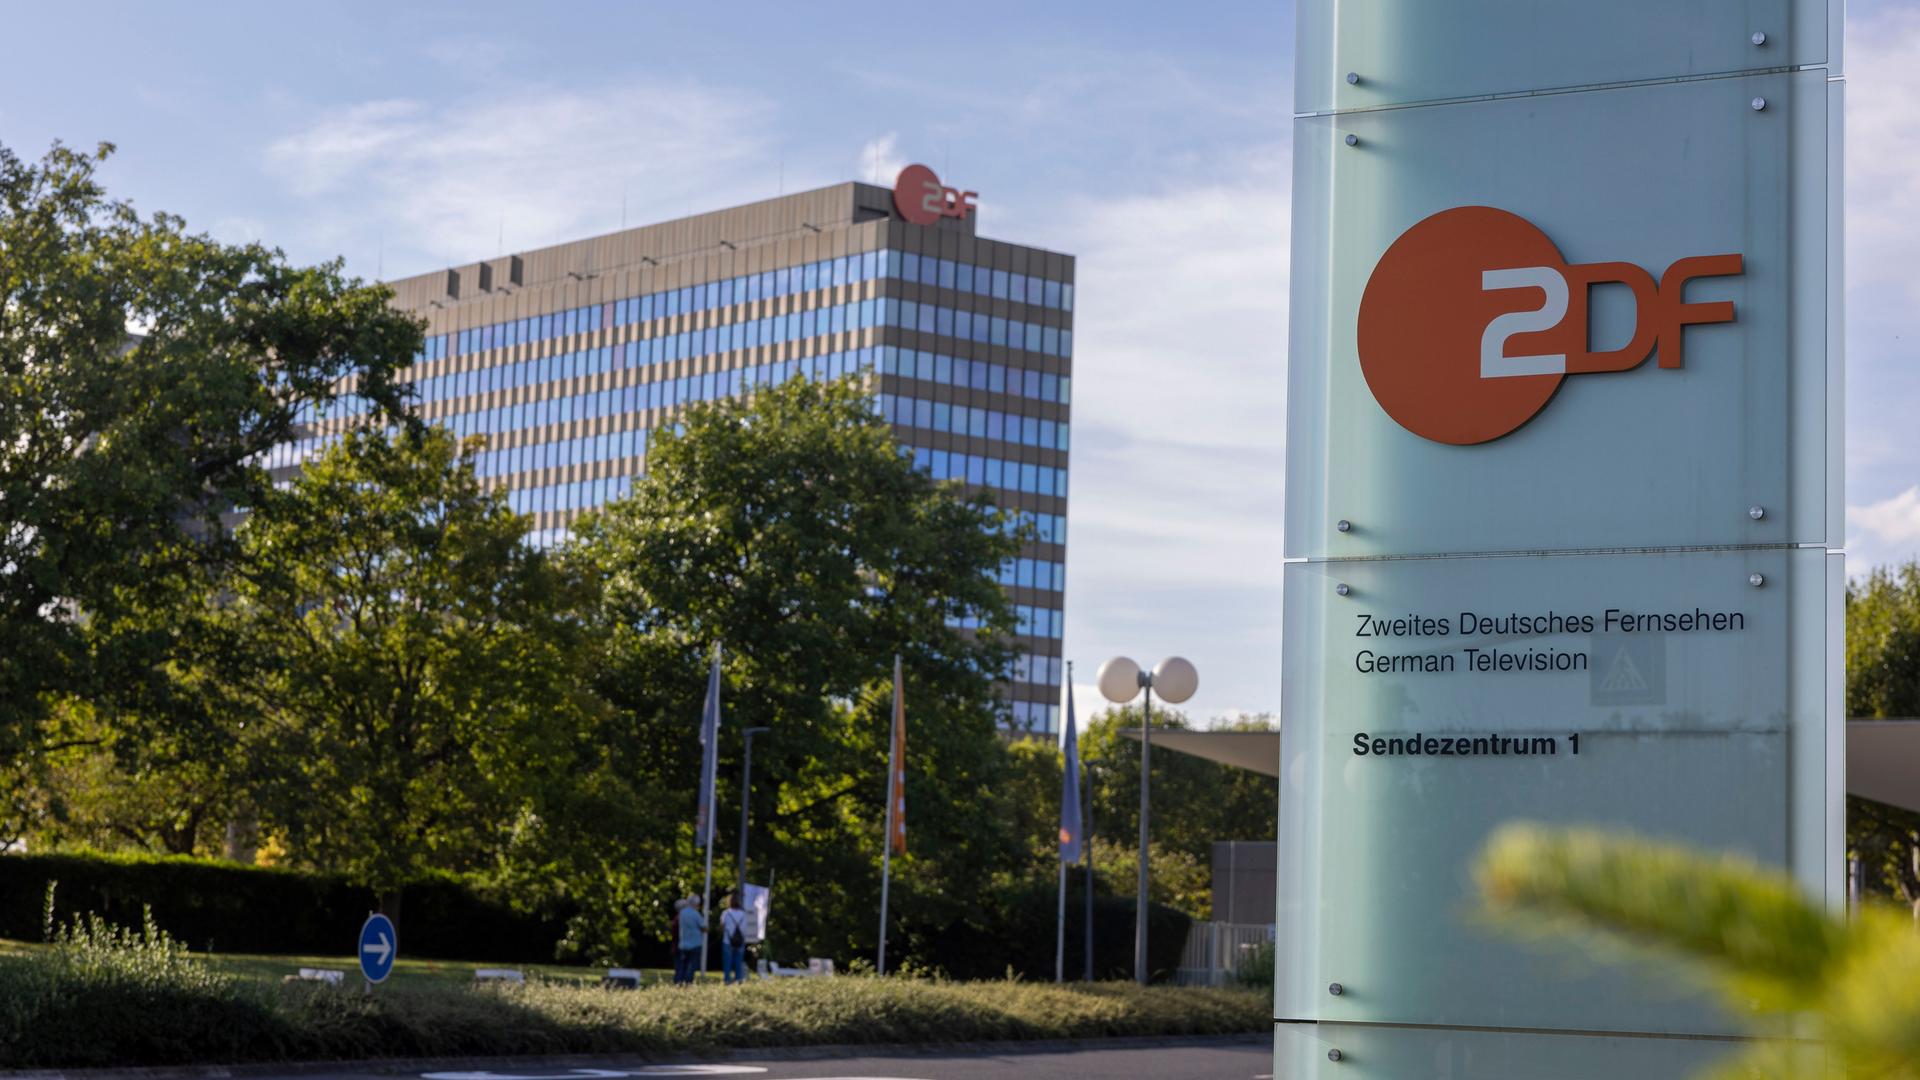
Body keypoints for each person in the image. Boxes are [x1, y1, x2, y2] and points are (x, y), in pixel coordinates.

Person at [720, 891, 751, 985]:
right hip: (740, 941)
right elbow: (745, 929)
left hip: (727, 940)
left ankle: (727, 980)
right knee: (738, 962)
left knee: (727, 963)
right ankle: (738, 979)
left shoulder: (726, 913)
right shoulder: (743, 914)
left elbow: (722, 926)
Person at [676, 895, 706, 985]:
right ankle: (688, 983)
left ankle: (679, 981)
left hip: (683, 944)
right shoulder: (696, 914)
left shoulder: (682, 913)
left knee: (682, 965)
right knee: (692, 966)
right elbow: (703, 927)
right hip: (695, 944)